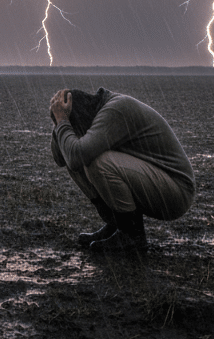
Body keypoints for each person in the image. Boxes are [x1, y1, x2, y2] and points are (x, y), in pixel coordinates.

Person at [49, 87, 195, 253]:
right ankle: (116, 225)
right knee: (73, 154)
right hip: (156, 182)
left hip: (177, 192)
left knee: (97, 161)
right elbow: (61, 158)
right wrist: (59, 121)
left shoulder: (115, 110)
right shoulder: (94, 112)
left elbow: (76, 156)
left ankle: (132, 234)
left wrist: (63, 121)